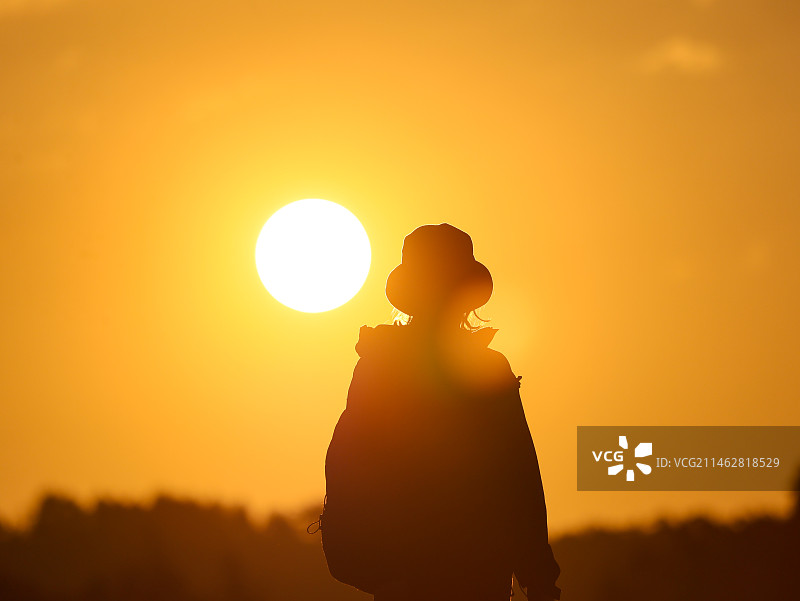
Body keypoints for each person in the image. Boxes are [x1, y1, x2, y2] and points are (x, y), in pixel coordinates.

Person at [323, 223, 560, 601]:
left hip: (444, 577)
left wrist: (538, 573)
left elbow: (518, 478)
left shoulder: (384, 367)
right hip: (432, 575)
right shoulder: (389, 369)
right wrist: (539, 575)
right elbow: (519, 479)